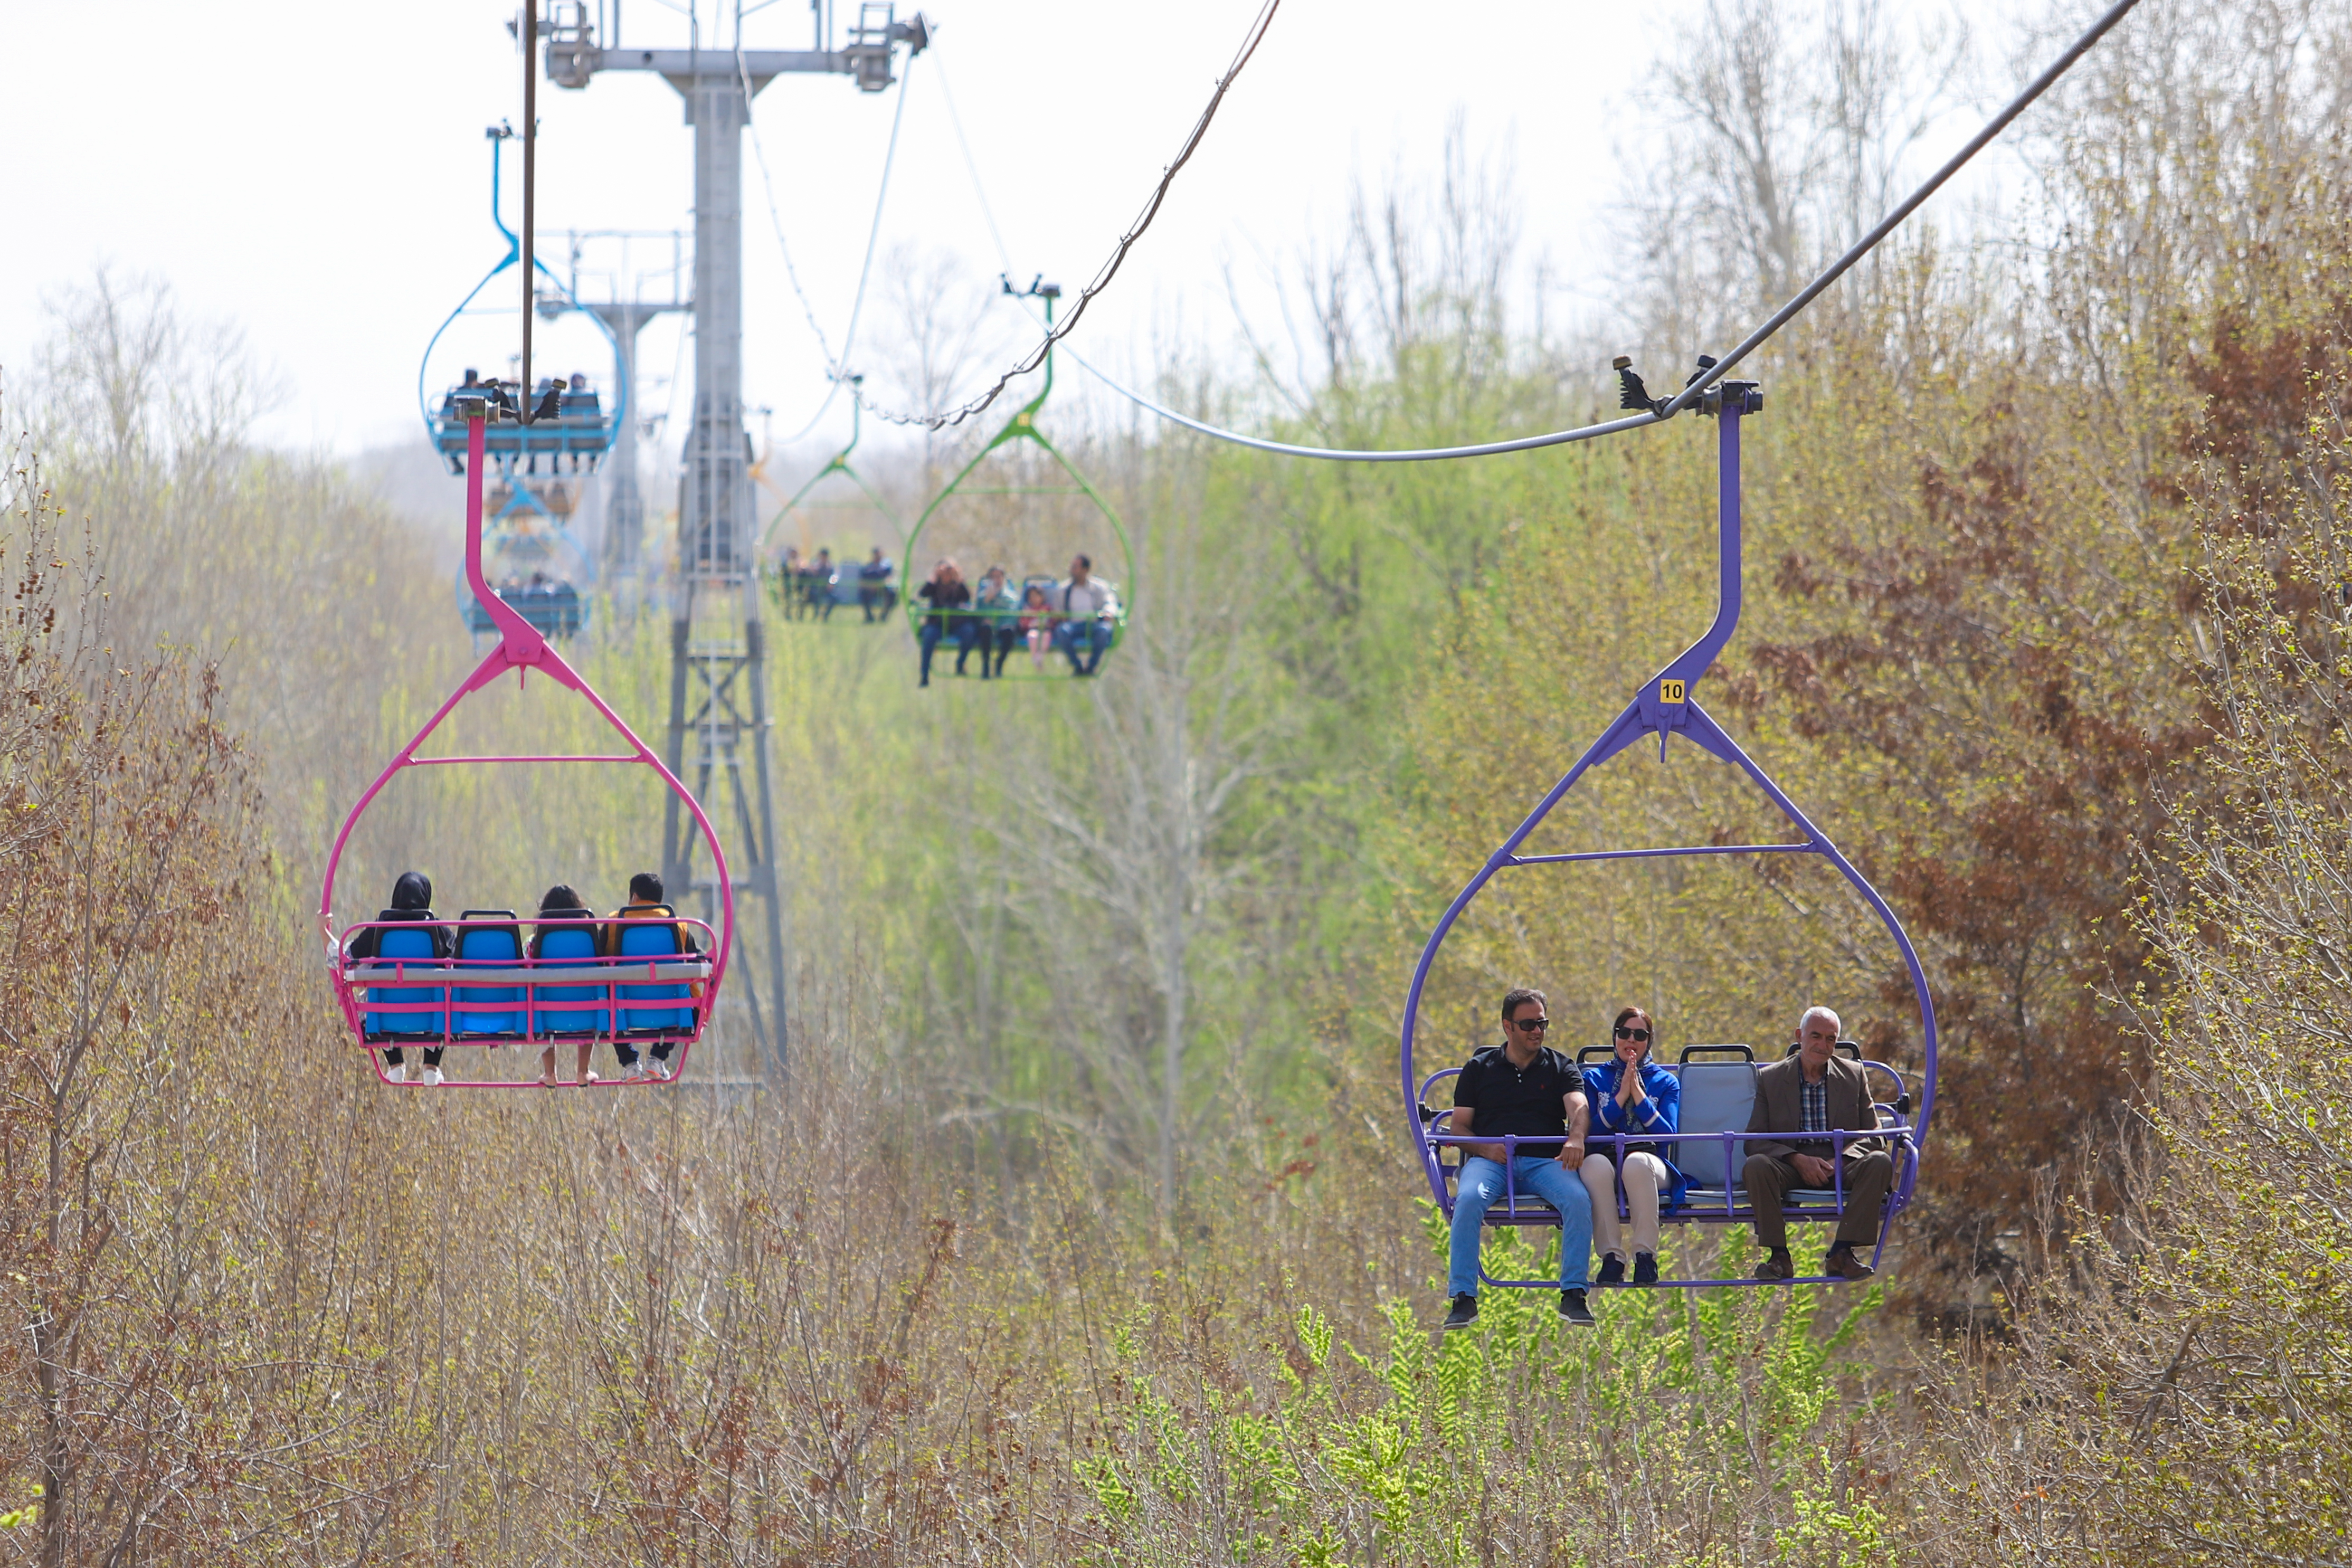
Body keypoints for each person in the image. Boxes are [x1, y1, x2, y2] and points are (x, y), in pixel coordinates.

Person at [1441, 987, 1597, 1331]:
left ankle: (1574, 1293)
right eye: (1528, 1024)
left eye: (1542, 1023)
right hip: (1493, 1161)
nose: (1537, 1031)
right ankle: (1463, 1297)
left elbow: (1579, 1107)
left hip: (1544, 1160)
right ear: (1507, 1026)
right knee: (1467, 1199)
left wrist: (1575, 1136)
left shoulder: (1560, 1066)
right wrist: (1485, 1149)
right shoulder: (1480, 1068)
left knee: (1577, 1198)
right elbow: (1459, 1128)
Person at [1742, 1005, 1895, 1282]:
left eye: (1830, 1039)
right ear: (1799, 1036)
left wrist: (1842, 1161)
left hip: (1841, 1164)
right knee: (1756, 1166)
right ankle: (1779, 1256)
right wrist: (1797, 1160)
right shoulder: (1771, 1078)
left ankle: (1842, 1251)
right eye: (1816, 1036)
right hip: (1792, 1164)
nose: (1822, 1046)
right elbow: (1754, 1139)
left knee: (1880, 1162)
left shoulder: (1854, 1075)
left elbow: (1875, 1133)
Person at [1579, 1005, 1687, 1286]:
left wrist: (1639, 1098)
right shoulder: (1593, 1079)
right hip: (1606, 1160)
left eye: (1639, 1035)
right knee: (1593, 1164)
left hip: (1651, 1164)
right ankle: (1612, 1259)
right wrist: (1619, 1099)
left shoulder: (1665, 1082)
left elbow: (1668, 1134)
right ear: (1614, 1037)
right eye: (1624, 1033)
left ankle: (1645, 1257)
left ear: (1649, 1041)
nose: (1631, 1041)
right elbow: (1589, 1132)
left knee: (1636, 1163)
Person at [345, 870, 452, 1086]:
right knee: (444, 993)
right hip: (429, 1016)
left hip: (386, 1017)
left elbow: (347, 956)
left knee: (380, 991)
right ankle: (431, 1066)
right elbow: (458, 954)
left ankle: (395, 1064)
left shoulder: (381, 928)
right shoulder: (434, 928)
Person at [601, 872, 703, 1082]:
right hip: (671, 1008)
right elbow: (698, 960)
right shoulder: (679, 925)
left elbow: (596, 959)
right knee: (688, 998)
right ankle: (658, 1057)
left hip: (623, 1007)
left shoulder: (613, 923)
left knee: (603, 999)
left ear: (635, 898)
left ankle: (629, 1062)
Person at [529, 883, 603, 1087]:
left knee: (538, 1002)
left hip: (548, 1014)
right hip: (587, 1013)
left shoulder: (537, 942)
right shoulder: (591, 940)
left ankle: (550, 1073)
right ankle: (583, 1071)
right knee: (591, 996)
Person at [1051, 554, 1117, 676]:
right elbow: (1057, 609)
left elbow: (1110, 602)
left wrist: (1108, 612)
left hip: (1093, 624)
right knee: (1062, 631)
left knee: (1104, 630)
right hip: (1073, 625)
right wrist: (1060, 616)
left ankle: (1092, 666)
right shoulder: (1063, 590)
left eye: (1075, 567)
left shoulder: (1099, 588)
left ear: (1085, 570)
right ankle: (1077, 666)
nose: (1072, 570)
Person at [915, 557, 973, 688]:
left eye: (949, 572)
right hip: (937, 624)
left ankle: (961, 663)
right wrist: (934, 578)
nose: (946, 576)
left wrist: (958, 578)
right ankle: (924, 674)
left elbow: (967, 597)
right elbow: (923, 594)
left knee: (969, 632)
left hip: (956, 623)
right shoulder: (934, 586)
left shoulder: (957, 586)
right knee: (929, 636)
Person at [970, 565, 1020, 678]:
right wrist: (987, 602)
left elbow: (1013, 613)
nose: (996, 580)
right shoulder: (982, 597)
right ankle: (986, 664)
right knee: (985, 630)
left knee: (1010, 633)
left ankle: (999, 664)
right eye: (993, 577)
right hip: (988, 628)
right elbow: (977, 614)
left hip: (1003, 627)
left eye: (999, 576)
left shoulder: (1011, 596)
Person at [1017, 582, 1054, 673]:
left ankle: (1040, 656)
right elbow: (1023, 622)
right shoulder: (1028, 610)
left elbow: (1052, 620)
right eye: (1032, 597)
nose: (1034, 599)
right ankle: (1036, 658)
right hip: (1033, 629)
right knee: (1032, 637)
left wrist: (1047, 624)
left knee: (1045, 637)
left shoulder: (1047, 608)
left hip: (1045, 630)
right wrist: (1030, 624)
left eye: (1037, 596)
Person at [857, 547, 897, 623]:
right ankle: (869, 616)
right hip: (870, 590)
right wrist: (870, 586)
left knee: (892, 594)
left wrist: (880, 585)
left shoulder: (885, 568)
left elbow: (889, 579)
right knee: (863, 593)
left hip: (882, 589)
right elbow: (862, 581)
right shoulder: (868, 568)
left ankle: (884, 615)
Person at [805, 548, 836, 620]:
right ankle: (816, 615)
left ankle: (825, 616)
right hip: (815, 589)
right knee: (816, 597)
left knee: (834, 599)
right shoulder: (815, 566)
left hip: (826, 590)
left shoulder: (830, 567)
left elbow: (835, 576)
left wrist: (831, 583)